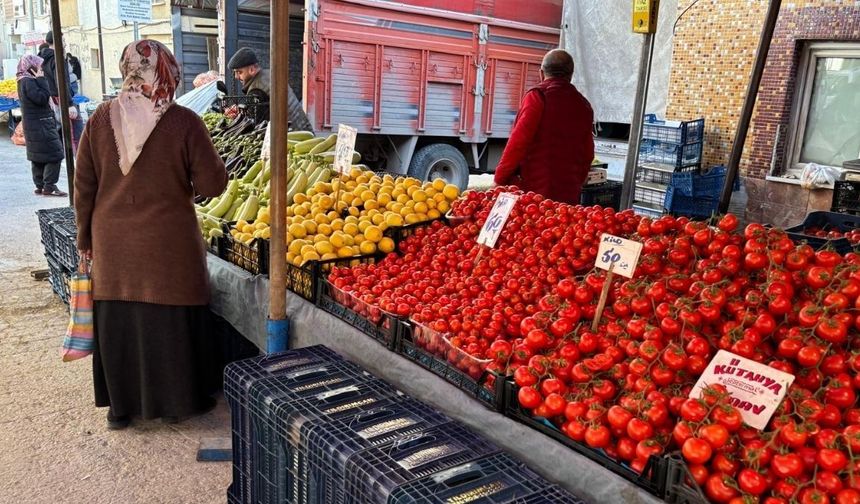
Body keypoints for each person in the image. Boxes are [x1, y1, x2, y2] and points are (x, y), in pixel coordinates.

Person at [74, 40, 228, 430]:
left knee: (119, 323)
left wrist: (84, 238)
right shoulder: (183, 121)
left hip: (112, 245)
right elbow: (212, 184)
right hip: (168, 246)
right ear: (168, 71)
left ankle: (121, 409)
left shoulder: (99, 119)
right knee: (169, 320)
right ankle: (177, 404)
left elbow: (83, 187)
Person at [493, 49, 594, 205]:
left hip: (536, 193)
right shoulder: (584, 105)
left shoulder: (537, 96)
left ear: (541, 73)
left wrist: (499, 179)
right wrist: (576, 181)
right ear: (571, 75)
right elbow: (588, 153)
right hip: (568, 193)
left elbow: (518, 142)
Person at [16, 54, 67, 196]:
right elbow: (42, 98)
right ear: (31, 67)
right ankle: (49, 186)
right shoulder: (29, 81)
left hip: (33, 124)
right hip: (41, 123)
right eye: (38, 66)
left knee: (38, 155)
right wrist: (41, 79)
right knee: (55, 154)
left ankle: (40, 185)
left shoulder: (22, 80)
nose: (41, 69)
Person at [227, 47, 312, 130]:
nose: (236, 77)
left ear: (252, 70)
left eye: (239, 72)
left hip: (291, 134)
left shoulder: (257, 90)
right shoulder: (269, 75)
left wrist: (236, 117)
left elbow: (253, 124)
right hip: (303, 129)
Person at [40, 31, 84, 151]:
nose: (64, 44)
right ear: (57, 41)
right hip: (61, 101)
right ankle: (78, 159)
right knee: (75, 133)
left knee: (59, 133)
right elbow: (61, 83)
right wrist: (69, 104)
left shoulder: (42, 58)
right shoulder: (57, 59)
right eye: (63, 41)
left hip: (52, 101)